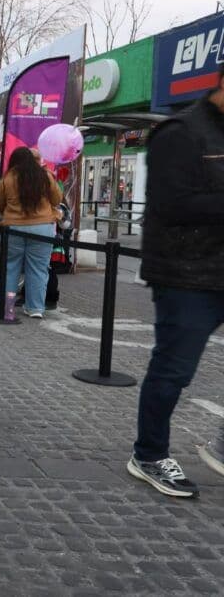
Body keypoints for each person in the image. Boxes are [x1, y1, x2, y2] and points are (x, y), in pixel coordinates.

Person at [128, 62, 224, 498]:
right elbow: (171, 205)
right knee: (174, 370)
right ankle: (149, 454)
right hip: (187, 274)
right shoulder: (179, 133)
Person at [0, 147, 62, 319]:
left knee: (10, 267)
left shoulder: (8, 178)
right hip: (43, 227)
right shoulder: (45, 176)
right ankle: (35, 308)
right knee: (38, 269)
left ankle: (5, 306)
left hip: (14, 227)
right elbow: (57, 199)